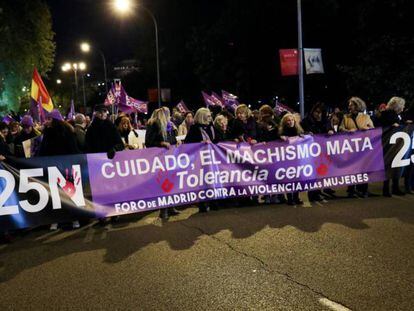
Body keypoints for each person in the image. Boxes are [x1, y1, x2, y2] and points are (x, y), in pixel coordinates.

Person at [145, 107, 179, 219]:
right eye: (168, 114)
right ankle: (163, 210)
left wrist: (175, 141)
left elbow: (172, 141)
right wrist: (161, 143)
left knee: (170, 183)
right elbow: (148, 142)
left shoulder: (169, 126)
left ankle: (171, 207)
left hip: (169, 158)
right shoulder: (153, 124)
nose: (170, 116)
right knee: (162, 184)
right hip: (159, 159)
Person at [339, 97, 374, 198]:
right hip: (351, 146)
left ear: (357, 105)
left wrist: (367, 128)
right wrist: (347, 131)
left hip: (363, 147)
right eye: (349, 105)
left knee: (363, 167)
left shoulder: (366, 117)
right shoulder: (346, 117)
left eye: (351, 104)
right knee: (352, 168)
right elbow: (341, 128)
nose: (349, 106)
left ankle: (363, 189)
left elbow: (373, 129)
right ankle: (351, 189)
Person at [184, 108, 216, 212]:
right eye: (208, 116)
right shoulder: (194, 128)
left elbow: (217, 140)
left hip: (212, 158)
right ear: (202, 117)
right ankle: (203, 204)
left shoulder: (211, 127)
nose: (210, 118)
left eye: (210, 116)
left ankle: (213, 202)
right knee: (203, 182)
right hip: (200, 160)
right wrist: (200, 142)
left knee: (213, 179)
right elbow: (187, 143)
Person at [378, 97, 406, 197]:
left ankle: (394, 187)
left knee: (395, 165)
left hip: (396, 144)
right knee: (388, 164)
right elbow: (382, 125)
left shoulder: (397, 115)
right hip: (388, 143)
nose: (403, 107)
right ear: (397, 105)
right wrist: (392, 125)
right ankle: (386, 189)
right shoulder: (387, 114)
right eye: (402, 105)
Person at [279, 113, 304, 206]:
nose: (290, 122)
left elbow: (303, 138)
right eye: (288, 120)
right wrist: (281, 137)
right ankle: (289, 198)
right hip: (287, 159)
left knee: (297, 177)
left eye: (292, 120)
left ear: (294, 121)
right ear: (285, 122)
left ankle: (296, 197)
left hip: (297, 158)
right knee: (289, 178)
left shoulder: (298, 130)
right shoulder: (282, 131)